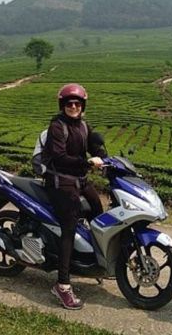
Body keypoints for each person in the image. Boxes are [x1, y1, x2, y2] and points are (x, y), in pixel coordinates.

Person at [42, 83, 107, 310]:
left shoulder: (83, 125)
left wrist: (101, 154)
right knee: (68, 227)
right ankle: (62, 285)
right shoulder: (57, 126)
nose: (73, 106)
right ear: (63, 105)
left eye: (77, 103)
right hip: (60, 181)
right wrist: (87, 162)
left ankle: (96, 261)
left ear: (82, 105)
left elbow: (94, 144)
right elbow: (59, 157)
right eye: (69, 103)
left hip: (80, 179)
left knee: (98, 213)